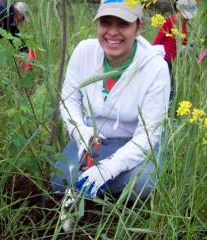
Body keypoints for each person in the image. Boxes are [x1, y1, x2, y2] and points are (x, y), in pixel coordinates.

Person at [51, 0, 170, 201]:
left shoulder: (156, 68)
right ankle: (96, 187)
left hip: (135, 141)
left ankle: (94, 187)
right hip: (93, 140)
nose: (112, 32)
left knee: (143, 183)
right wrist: (80, 132)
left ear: (138, 27)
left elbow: (147, 135)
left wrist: (109, 168)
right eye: (105, 22)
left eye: (123, 24)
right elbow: (69, 100)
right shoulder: (84, 52)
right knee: (60, 181)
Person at [153, 0, 198, 99]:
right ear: (178, 10)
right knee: (170, 88)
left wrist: (190, 42)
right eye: (185, 15)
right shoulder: (169, 22)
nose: (187, 18)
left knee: (170, 86)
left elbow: (180, 38)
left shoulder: (184, 23)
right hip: (163, 59)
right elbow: (157, 41)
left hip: (172, 60)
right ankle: (169, 109)